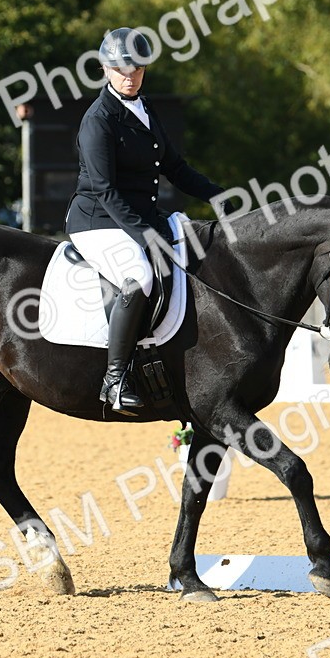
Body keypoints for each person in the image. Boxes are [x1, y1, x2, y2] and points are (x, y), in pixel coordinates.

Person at [65, 27, 228, 411]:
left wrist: (217, 195)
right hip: (97, 221)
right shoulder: (98, 120)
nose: (129, 75)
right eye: (121, 68)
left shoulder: (144, 108)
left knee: (199, 246)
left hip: (138, 215)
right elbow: (105, 191)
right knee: (138, 275)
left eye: (137, 68)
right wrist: (145, 235)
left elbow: (175, 167)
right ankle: (115, 379)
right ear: (105, 68)